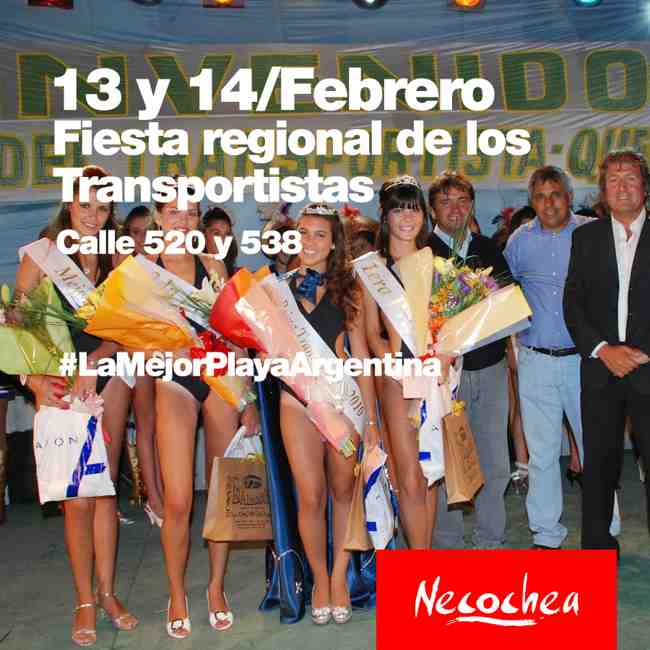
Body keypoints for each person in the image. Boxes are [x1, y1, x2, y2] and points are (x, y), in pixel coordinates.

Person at [15, 165, 138, 646]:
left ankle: (107, 593)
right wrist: (32, 381)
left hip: (108, 372)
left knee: (104, 490)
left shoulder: (118, 256)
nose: (93, 215)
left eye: (103, 208)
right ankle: (84, 598)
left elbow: (129, 328)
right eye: (85, 205)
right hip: (60, 380)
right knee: (77, 496)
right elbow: (15, 325)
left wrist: (95, 362)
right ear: (70, 204)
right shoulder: (42, 255)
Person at [150, 192, 260, 639]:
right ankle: (176, 593)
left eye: (191, 212)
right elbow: (128, 335)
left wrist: (247, 397)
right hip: (174, 382)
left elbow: (235, 336)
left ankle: (215, 586)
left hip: (219, 380)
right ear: (158, 216)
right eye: (173, 212)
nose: (183, 220)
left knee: (221, 493)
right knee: (179, 501)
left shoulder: (213, 266)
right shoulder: (141, 268)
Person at [277, 203, 379, 625]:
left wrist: (370, 420)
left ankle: (339, 576)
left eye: (320, 234)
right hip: (296, 401)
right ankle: (319, 579)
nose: (310, 241)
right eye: (303, 232)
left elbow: (361, 357)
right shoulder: (275, 291)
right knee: (311, 495)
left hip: (341, 402)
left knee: (343, 492)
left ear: (334, 242)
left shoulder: (351, 289)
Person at [564, 150, 650, 555]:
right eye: (613, 179)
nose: (622, 186)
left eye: (630, 177)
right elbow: (573, 303)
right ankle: (597, 551)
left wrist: (643, 353)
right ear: (603, 190)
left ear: (644, 186)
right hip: (601, 370)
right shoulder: (586, 238)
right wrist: (602, 349)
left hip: (648, 367)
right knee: (598, 467)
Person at [505, 166, 595, 549]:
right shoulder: (519, 242)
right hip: (535, 360)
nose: (548, 203)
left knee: (596, 448)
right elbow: (500, 293)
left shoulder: (592, 234)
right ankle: (546, 534)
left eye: (555, 194)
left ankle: (604, 530)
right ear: (532, 202)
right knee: (541, 453)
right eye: (540, 197)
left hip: (586, 361)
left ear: (569, 197)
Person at [427, 170, 511, 549]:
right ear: (432, 210)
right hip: (444, 376)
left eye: (462, 201)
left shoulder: (489, 248)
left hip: (490, 367)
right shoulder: (422, 254)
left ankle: (490, 539)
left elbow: (509, 300)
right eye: (445, 202)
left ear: (472, 206)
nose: (455, 209)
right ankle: (448, 543)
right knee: (447, 461)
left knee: (495, 461)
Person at [362, 176, 444, 550]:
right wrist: (396, 366)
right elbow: (371, 333)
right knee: (409, 477)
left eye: (413, 209)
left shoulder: (437, 265)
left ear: (424, 215)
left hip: (434, 378)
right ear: (385, 216)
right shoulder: (372, 270)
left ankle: (421, 562)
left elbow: (450, 325)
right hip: (396, 378)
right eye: (398, 209)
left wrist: (443, 358)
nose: (407, 217)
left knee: (430, 474)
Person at [120, 206, 164, 525]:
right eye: (135, 232)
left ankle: (168, 491)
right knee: (146, 424)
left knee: (166, 426)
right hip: (136, 353)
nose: (142, 238)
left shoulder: (169, 262)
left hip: (172, 353)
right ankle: (154, 496)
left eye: (147, 232)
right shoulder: (123, 265)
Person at [201, 206, 239, 277]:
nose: (223, 239)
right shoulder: (193, 270)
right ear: (203, 236)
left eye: (227, 234)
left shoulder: (237, 276)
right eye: (216, 233)